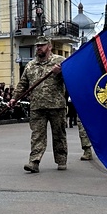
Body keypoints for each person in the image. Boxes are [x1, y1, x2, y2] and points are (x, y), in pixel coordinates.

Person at [12, 36, 66, 173]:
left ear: (49, 46)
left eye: (41, 45)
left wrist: (60, 73)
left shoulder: (60, 62)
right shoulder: (31, 65)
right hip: (37, 106)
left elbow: (72, 78)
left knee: (58, 134)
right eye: (37, 46)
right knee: (37, 135)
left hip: (56, 105)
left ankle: (61, 160)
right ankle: (34, 162)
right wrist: (14, 98)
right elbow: (23, 84)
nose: (39, 48)